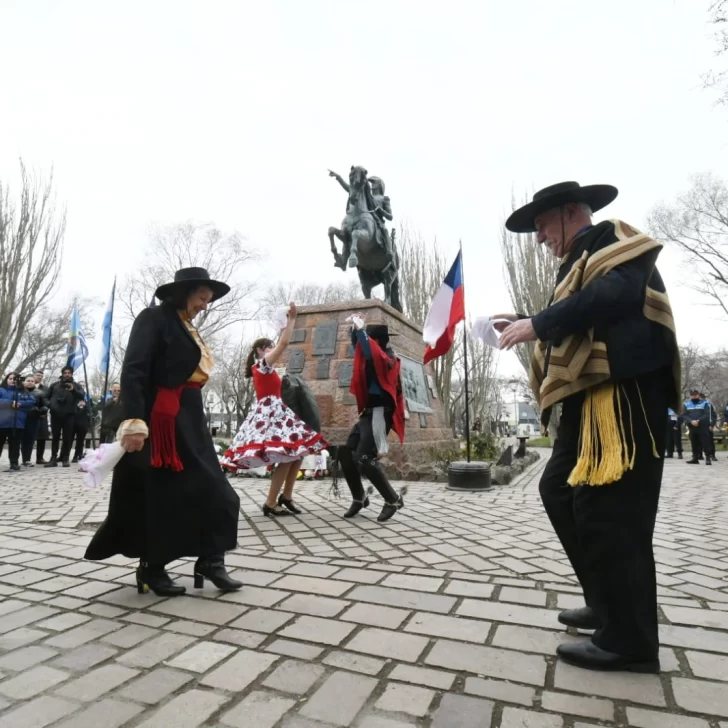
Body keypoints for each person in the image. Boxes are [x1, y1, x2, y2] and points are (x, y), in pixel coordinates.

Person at [496, 181, 680, 673]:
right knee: (559, 491)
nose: (539, 239)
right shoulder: (578, 263)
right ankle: (606, 604)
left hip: (622, 393)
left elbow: (612, 297)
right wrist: (530, 319)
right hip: (587, 398)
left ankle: (631, 642)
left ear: (571, 212)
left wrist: (539, 323)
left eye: (541, 226)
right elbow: (582, 314)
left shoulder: (615, 240)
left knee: (613, 513)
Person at [85, 267, 242, 597]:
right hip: (160, 421)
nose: (205, 305)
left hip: (190, 417)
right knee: (159, 495)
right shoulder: (154, 318)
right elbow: (134, 371)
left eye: (208, 300)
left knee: (217, 490)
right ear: (185, 293)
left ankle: (210, 561)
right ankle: (152, 568)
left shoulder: (186, 326)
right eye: (202, 298)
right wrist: (135, 422)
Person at [222, 303, 328, 516]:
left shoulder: (262, 366)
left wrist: (283, 325)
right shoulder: (262, 365)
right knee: (288, 457)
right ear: (261, 351)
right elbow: (285, 342)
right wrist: (292, 321)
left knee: (298, 452)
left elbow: (281, 342)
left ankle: (286, 497)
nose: (273, 349)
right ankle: (271, 503)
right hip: (272, 414)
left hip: (278, 412)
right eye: (269, 347)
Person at [337, 317, 407, 523]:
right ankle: (359, 497)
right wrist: (354, 330)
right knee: (345, 452)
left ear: (377, 340)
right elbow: (361, 349)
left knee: (365, 458)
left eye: (367, 338)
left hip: (381, 413)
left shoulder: (390, 358)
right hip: (369, 413)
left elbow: (372, 352)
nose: (361, 344)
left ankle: (393, 499)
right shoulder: (372, 354)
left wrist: (362, 332)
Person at [45, 366, 84, 468]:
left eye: (69, 373)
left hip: (69, 415)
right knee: (55, 437)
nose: (67, 374)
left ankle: (65, 458)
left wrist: (73, 390)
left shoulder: (76, 386)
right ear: (62, 373)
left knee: (67, 437)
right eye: (65, 372)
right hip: (55, 414)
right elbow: (45, 397)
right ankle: (53, 458)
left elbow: (82, 395)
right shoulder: (54, 385)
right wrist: (50, 405)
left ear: (71, 374)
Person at [0, 372, 37, 472]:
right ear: (6, 379)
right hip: (2, 422)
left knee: (15, 444)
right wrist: (10, 403)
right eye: (10, 378)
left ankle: (14, 463)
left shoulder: (23, 392)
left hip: (17, 422)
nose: (12, 380)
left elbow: (32, 401)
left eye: (14, 379)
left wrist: (20, 404)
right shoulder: (1, 390)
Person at [20, 374, 48, 467]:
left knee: (29, 440)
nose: (30, 383)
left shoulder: (39, 393)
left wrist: (42, 409)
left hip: (33, 419)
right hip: (20, 419)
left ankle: (26, 460)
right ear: (24, 382)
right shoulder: (19, 391)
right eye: (28, 381)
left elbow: (44, 404)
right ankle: (16, 459)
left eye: (32, 381)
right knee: (19, 440)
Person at [682, 389, 713, 465]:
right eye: (692, 395)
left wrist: (698, 420)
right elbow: (684, 414)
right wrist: (691, 421)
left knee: (705, 442)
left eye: (695, 395)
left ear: (698, 395)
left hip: (702, 426)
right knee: (694, 442)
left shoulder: (705, 403)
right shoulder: (686, 404)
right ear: (690, 396)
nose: (694, 396)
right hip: (692, 426)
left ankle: (708, 458)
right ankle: (695, 458)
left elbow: (706, 414)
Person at [33, 371, 50, 464]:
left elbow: (48, 400)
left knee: (42, 437)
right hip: (30, 414)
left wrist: (45, 408)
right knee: (27, 438)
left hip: (42, 415)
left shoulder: (45, 389)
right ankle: (25, 458)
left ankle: (40, 458)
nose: (39, 377)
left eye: (41, 376)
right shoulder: (26, 386)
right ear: (33, 376)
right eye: (38, 375)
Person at [72, 385, 92, 463]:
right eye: (81, 386)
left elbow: (91, 409)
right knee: (69, 439)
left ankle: (77, 455)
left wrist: (85, 405)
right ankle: (64, 455)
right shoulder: (74, 397)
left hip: (83, 422)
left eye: (84, 386)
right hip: (73, 421)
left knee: (80, 441)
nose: (82, 387)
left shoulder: (88, 398)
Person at [700, 392, 718, 461]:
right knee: (699, 441)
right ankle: (699, 455)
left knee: (710, 441)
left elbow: (713, 416)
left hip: (708, 425)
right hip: (699, 425)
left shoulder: (709, 405)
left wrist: (712, 424)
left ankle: (712, 455)